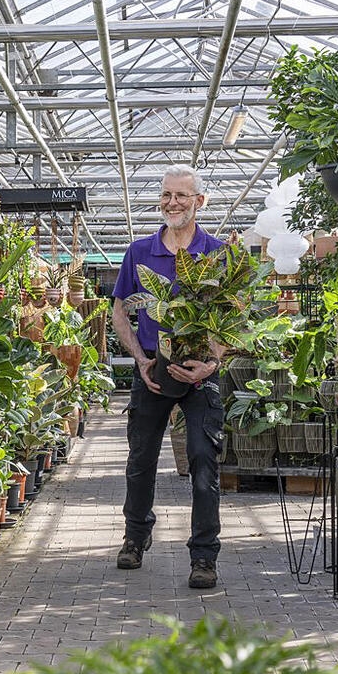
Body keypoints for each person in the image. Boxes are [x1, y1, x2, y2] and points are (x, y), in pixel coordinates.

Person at [110, 164, 226, 590]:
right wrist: (140, 359)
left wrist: (211, 363)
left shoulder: (217, 253)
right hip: (154, 375)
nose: (172, 202)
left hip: (200, 376)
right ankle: (135, 538)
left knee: (202, 460)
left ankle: (203, 557)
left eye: (181, 195)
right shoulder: (139, 252)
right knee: (140, 461)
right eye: (166, 195)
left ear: (199, 201)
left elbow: (234, 318)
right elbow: (120, 312)